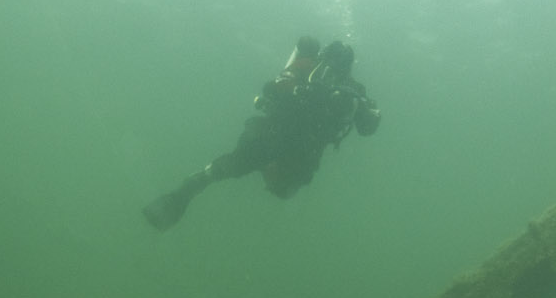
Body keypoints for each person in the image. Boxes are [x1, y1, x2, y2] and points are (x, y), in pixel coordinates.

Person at [143, 37, 381, 231]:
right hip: (274, 134)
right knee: (234, 165)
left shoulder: (353, 92)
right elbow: (273, 86)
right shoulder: (307, 66)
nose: (333, 71)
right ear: (324, 58)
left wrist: (364, 111)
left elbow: (368, 126)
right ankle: (185, 192)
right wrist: (301, 91)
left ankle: (201, 183)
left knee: (284, 191)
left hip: (303, 150)